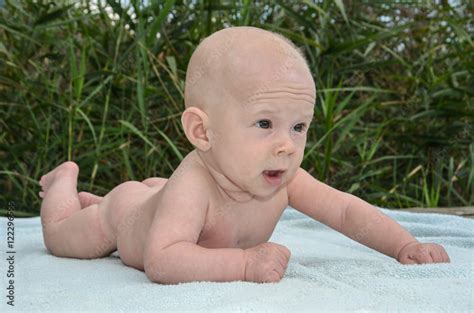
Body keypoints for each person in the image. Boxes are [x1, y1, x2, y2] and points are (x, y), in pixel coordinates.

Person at [38, 26, 450, 285]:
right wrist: (244, 265)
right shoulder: (195, 183)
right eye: (265, 124)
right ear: (202, 131)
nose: (287, 144)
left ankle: (119, 195)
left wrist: (403, 245)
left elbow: (344, 212)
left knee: (158, 196)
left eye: (299, 127)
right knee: (61, 236)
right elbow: (161, 260)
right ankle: (66, 182)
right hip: (127, 215)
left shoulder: (282, 175)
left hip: (161, 198)